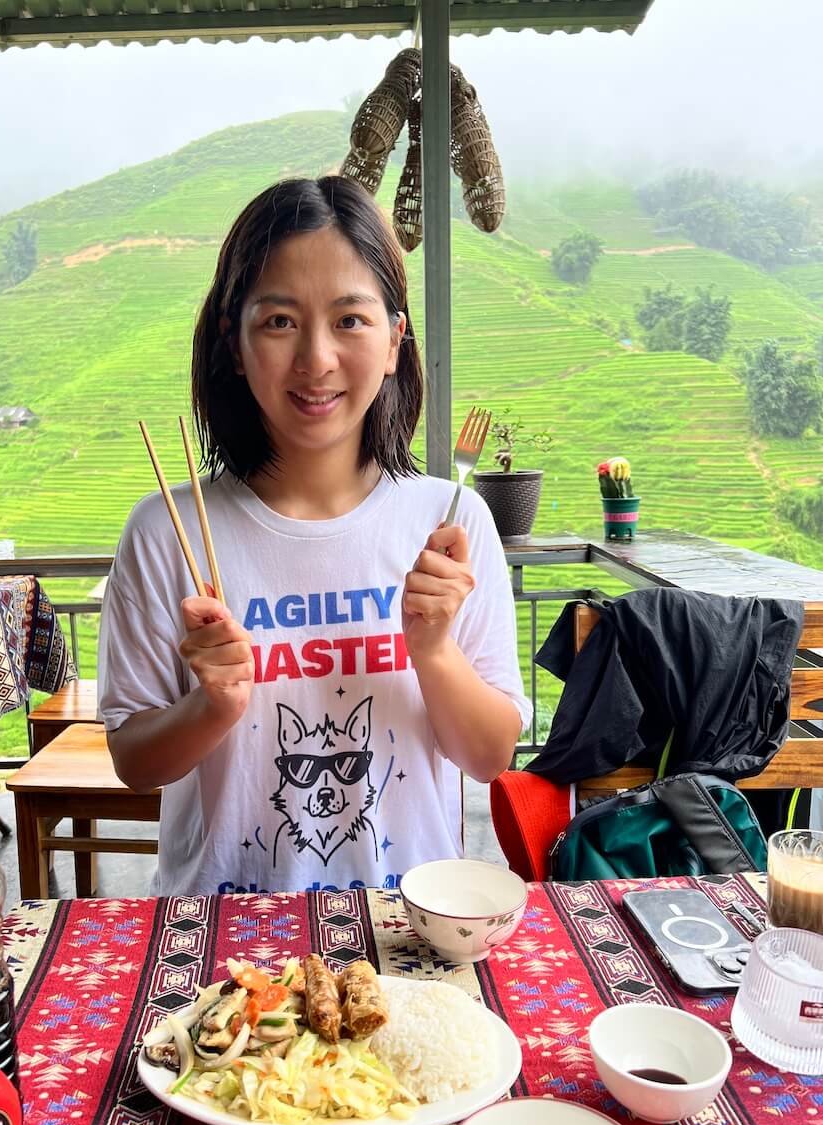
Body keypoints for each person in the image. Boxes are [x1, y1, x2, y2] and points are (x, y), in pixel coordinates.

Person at [98, 175, 531, 897]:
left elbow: (488, 757)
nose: (317, 359)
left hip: (404, 924)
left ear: (395, 342)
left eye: (350, 320)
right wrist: (213, 707)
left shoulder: (450, 524)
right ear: (234, 342)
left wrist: (433, 649)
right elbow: (135, 762)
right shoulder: (165, 532)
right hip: (220, 933)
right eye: (279, 322)